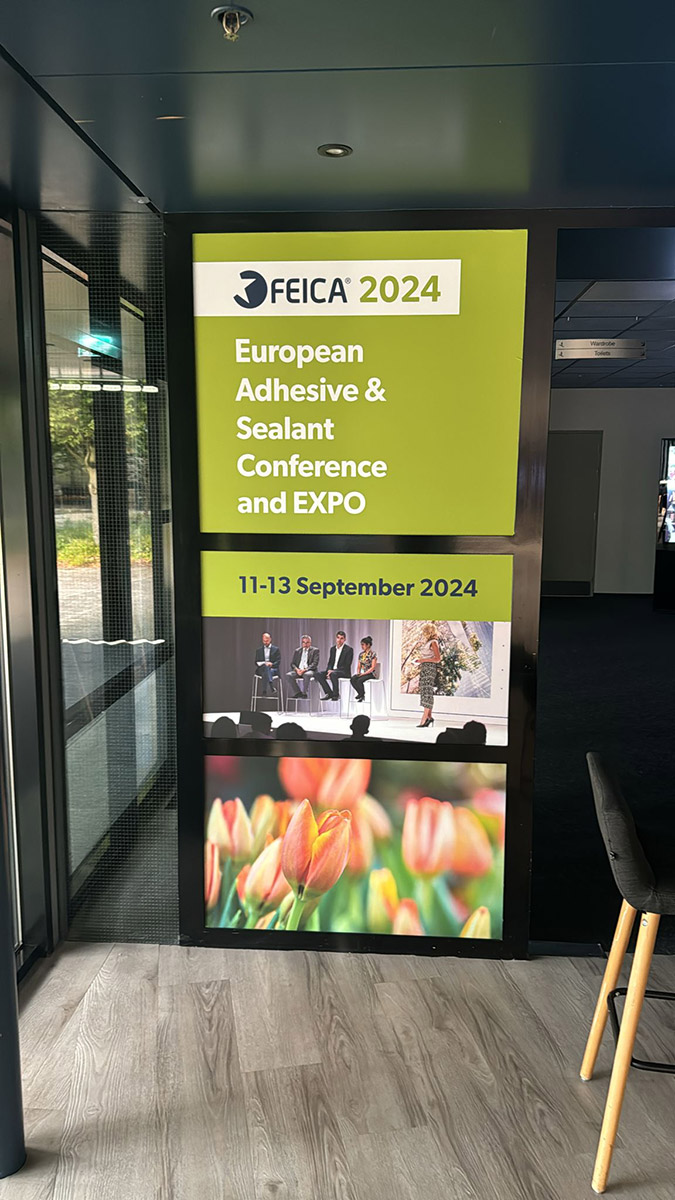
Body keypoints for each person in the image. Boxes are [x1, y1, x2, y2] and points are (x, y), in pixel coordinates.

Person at [415, 622, 441, 728]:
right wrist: (421, 661)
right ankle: (429, 717)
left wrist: (422, 660)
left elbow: (438, 659)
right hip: (425, 667)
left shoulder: (433, 642)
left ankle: (425, 717)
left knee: (427, 691)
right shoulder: (428, 642)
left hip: (429, 668)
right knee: (424, 690)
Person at [316, 630, 353, 701]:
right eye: (338, 638)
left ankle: (336, 694)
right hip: (332, 671)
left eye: (341, 638)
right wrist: (329, 670)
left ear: (345, 639)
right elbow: (330, 662)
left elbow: (347, 665)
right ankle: (329, 693)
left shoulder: (349, 650)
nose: (339, 640)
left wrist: (333, 671)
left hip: (343, 672)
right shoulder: (332, 649)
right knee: (318, 674)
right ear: (336, 638)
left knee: (333, 674)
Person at [286, 634, 319, 699]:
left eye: (307, 642)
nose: (305, 644)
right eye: (303, 642)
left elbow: (315, 664)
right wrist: (297, 670)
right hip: (299, 670)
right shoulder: (297, 651)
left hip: (309, 670)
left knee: (306, 675)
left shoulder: (315, 650)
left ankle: (304, 693)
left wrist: (305, 670)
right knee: (289, 675)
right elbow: (293, 664)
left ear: (310, 643)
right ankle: (298, 693)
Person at [350, 636, 378, 702]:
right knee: (353, 679)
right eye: (361, 645)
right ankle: (360, 693)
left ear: (368, 645)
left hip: (370, 673)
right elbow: (359, 666)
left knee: (359, 680)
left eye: (363, 645)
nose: (362, 646)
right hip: (363, 673)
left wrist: (363, 674)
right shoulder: (361, 654)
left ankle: (362, 695)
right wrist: (358, 673)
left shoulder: (373, 654)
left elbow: (372, 667)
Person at [254, 631, 281, 696]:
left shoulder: (276, 649)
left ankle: (264, 691)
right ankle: (271, 685)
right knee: (265, 668)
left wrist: (271, 664)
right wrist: (263, 664)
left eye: (267, 641)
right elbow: (256, 662)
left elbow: (278, 661)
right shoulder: (259, 650)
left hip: (272, 669)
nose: (265, 642)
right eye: (264, 641)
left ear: (270, 639)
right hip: (262, 669)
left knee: (266, 671)